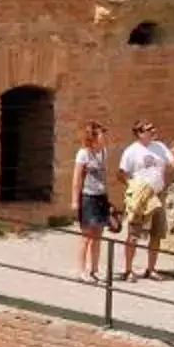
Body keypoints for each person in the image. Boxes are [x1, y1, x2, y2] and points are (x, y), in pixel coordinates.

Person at [118, 120, 174, 282]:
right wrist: (133, 188)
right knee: (133, 234)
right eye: (149, 129)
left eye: (153, 127)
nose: (153, 130)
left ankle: (151, 269)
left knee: (156, 234)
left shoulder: (160, 147)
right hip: (140, 196)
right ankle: (128, 270)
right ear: (139, 133)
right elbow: (121, 173)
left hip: (158, 195)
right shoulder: (131, 151)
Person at [74, 119, 112, 280]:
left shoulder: (103, 152)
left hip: (101, 196)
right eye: (102, 135)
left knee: (98, 235)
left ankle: (94, 269)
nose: (104, 139)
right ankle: (82, 270)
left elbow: (104, 177)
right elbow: (77, 179)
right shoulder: (83, 153)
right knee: (86, 236)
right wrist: (75, 200)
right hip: (88, 197)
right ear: (94, 138)